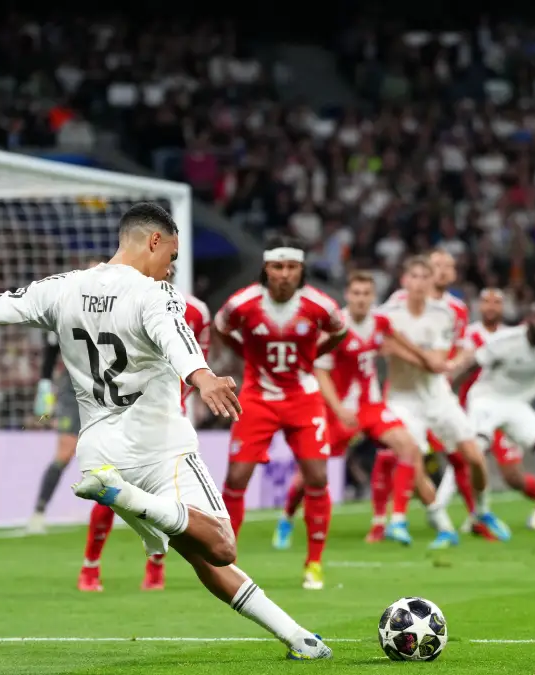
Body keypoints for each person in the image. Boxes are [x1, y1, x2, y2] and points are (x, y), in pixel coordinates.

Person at [0, 203, 331, 660]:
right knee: (220, 545)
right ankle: (127, 496)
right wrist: (202, 377)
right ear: (154, 241)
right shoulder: (154, 294)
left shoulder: (62, 287)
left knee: (198, 554)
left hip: (99, 451)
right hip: (158, 444)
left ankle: (296, 637)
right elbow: (176, 337)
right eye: (171, 256)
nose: (171, 268)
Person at [214, 235, 348, 591]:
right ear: (266, 268)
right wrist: (245, 353)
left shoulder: (319, 306)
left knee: (317, 477)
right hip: (257, 397)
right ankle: (229, 561)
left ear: (301, 270)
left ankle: (314, 564)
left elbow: (340, 330)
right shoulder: (243, 304)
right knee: (237, 477)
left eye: (291, 267)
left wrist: (314, 353)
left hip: (303, 397)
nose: (284, 274)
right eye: (277, 267)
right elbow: (221, 326)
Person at [274, 270, 440, 548]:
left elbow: (397, 338)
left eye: (366, 294)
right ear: (348, 296)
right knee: (311, 473)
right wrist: (338, 410)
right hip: (337, 410)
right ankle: (286, 518)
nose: (361, 299)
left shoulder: (380, 321)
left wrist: (426, 359)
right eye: (356, 294)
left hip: (370, 406)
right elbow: (320, 370)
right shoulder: (335, 326)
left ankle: (397, 520)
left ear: (373, 297)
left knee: (408, 447)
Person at [74, 268, 212, 592]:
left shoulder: (195, 310)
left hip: (164, 415)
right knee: (107, 489)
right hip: (119, 411)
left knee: (161, 494)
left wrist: (179, 399)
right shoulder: (111, 305)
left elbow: (197, 355)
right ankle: (90, 567)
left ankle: (156, 567)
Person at [381, 256, 510, 548]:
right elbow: (384, 344)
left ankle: (482, 511)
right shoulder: (389, 311)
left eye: (424, 277)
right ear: (405, 280)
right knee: (409, 459)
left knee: (473, 456)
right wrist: (425, 358)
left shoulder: (446, 313)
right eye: (414, 276)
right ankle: (442, 524)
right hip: (402, 397)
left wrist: (405, 348)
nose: (419, 283)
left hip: (438, 394)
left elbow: (441, 361)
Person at [448, 302, 535, 533]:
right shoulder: (506, 339)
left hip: (517, 405)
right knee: (475, 452)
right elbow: (472, 365)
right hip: (487, 399)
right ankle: (476, 513)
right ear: (528, 318)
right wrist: (449, 393)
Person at [28, 255, 109, 540]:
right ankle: (38, 512)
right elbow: (51, 350)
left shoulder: (115, 308)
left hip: (108, 387)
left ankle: (123, 509)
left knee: (118, 453)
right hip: (74, 388)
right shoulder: (65, 308)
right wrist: (45, 385)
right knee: (65, 452)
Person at [459, 289, 535, 527]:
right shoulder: (467, 335)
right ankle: (476, 515)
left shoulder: (513, 337)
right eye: (486, 302)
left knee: (512, 476)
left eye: (497, 303)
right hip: (474, 409)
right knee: (464, 464)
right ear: (478, 306)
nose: (491, 307)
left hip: (503, 409)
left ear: (503, 308)